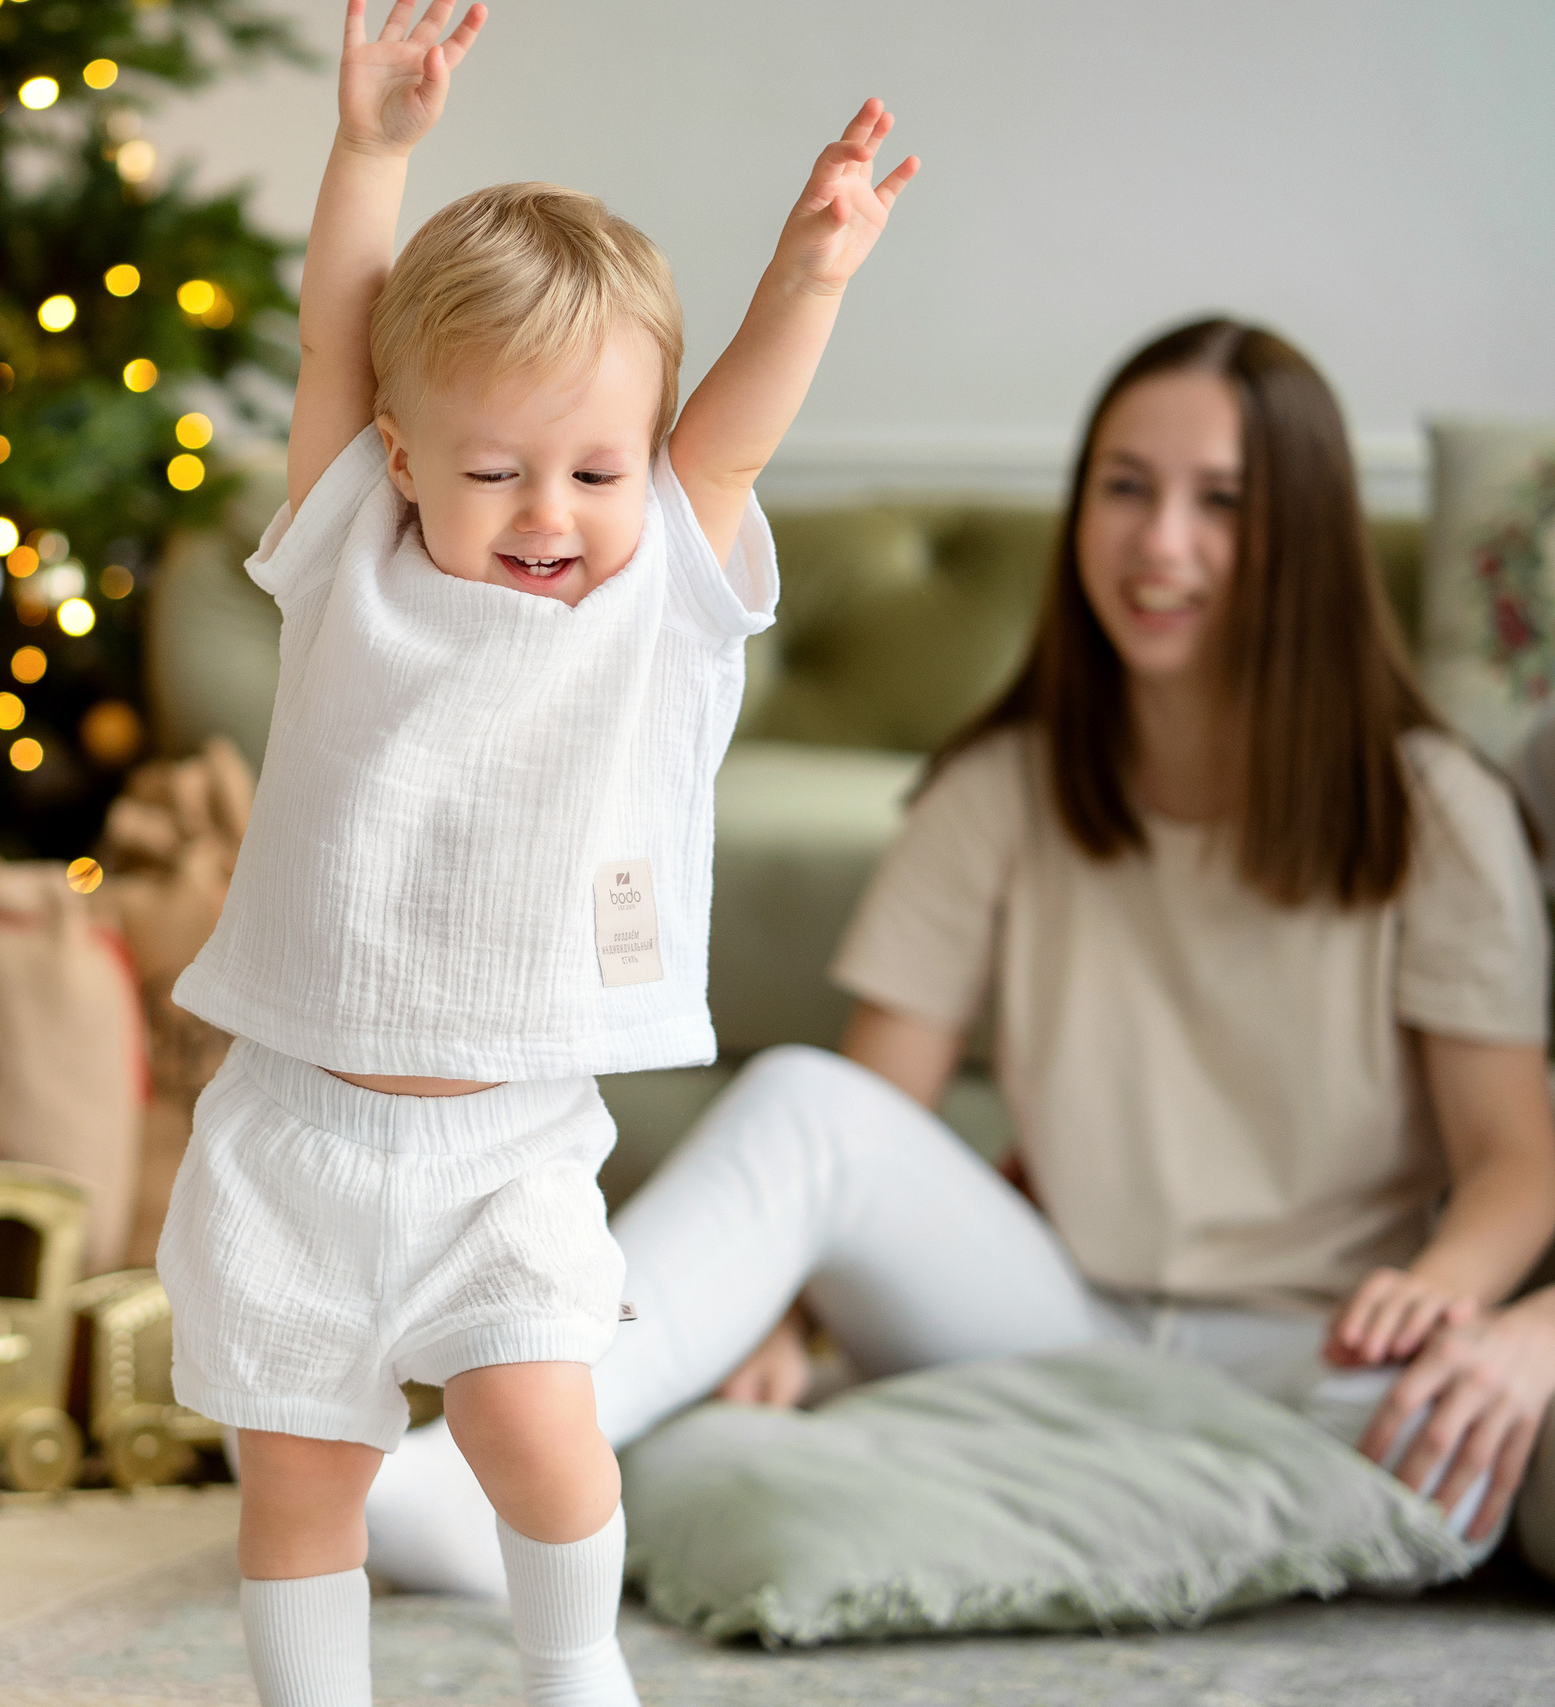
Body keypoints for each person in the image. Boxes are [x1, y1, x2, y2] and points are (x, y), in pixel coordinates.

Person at [363, 316, 1555, 1602]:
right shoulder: (997, 788)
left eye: (1221, 503)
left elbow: (1513, 1157)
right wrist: (783, 1308)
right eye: (1125, 489)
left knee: (1469, 1436)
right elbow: (871, 1121)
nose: (1160, 543)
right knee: (803, 1100)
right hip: (1054, 1321)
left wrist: (1447, 1294)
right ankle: (497, 1481)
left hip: (1315, 1345)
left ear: (1304, 535)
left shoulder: (1433, 807)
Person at [152, 1, 918, 1700]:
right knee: (299, 1480)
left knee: (539, 1431)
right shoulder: (348, 552)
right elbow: (335, 341)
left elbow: (731, 437)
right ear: (401, 457)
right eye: (494, 469)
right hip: (295, 1137)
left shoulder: (655, 594)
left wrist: (809, 274)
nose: (548, 513)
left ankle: (577, 1672)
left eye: (594, 469)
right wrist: (371, 149)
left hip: (504, 1150)